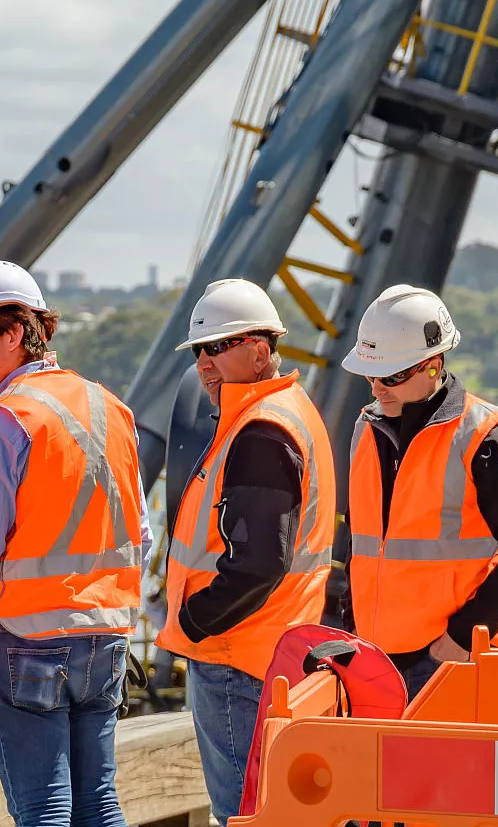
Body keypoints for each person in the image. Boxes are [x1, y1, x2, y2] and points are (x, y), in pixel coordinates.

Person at [0, 260, 149, 827]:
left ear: (14, 331)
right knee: (100, 803)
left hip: (30, 641)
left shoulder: (2, 422)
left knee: (45, 810)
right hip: (108, 636)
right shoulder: (110, 408)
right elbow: (139, 533)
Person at [155, 278, 335, 824]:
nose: (205, 364)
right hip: (275, 649)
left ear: (260, 349)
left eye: (218, 348)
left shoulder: (260, 431)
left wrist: (194, 620)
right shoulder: (289, 411)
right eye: (200, 352)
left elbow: (257, 563)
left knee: (239, 812)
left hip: (238, 655)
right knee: (269, 810)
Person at [337, 284, 498, 698]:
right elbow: (359, 546)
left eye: (392, 376)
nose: (377, 388)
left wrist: (462, 636)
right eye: (370, 374)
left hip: (455, 659)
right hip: (376, 658)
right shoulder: (366, 428)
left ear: (433, 365)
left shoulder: (489, 437)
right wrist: (351, 630)